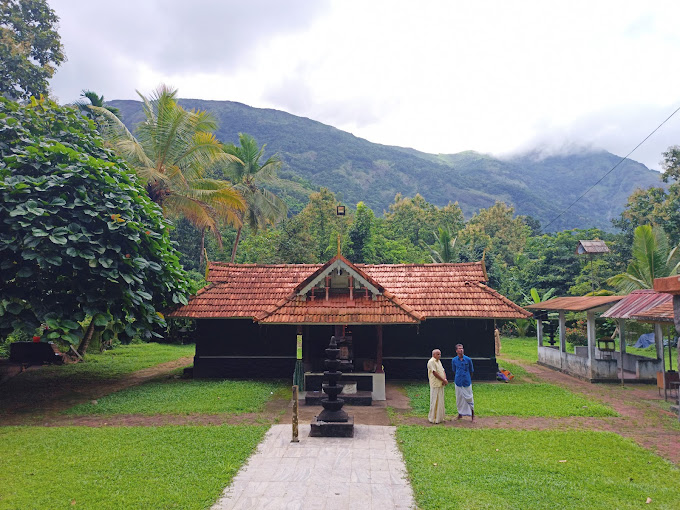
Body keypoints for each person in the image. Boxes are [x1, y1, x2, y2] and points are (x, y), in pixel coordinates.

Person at [451, 343, 474, 421]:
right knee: (459, 398)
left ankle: (472, 416)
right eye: (459, 348)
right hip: (458, 382)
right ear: (456, 350)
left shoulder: (468, 359)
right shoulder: (454, 360)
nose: (461, 350)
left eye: (462, 348)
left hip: (466, 382)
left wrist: (467, 378)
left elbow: (471, 371)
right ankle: (460, 414)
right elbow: (454, 370)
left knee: (469, 398)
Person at [427, 348, 448, 424]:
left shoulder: (439, 361)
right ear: (434, 355)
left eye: (440, 354)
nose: (439, 355)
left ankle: (440, 418)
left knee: (440, 401)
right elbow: (434, 373)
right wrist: (443, 380)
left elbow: (443, 370)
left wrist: (444, 379)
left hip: (441, 384)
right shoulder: (431, 362)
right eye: (438, 354)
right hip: (435, 384)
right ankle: (433, 418)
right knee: (435, 400)